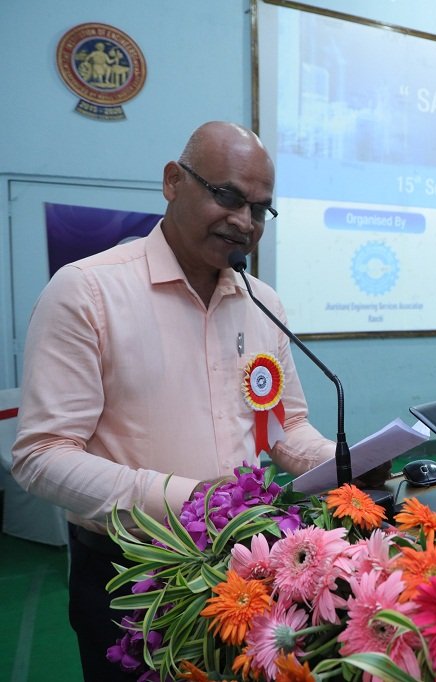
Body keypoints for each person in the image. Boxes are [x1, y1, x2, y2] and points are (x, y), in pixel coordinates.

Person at [11, 122, 385, 682]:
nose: (243, 221)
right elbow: (40, 455)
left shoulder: (262, 302)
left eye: (260, 210)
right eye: (227, 195)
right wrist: (189, 501)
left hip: (244, 571)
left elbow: (281, 432)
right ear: (172, 182)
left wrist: (342, 466)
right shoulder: (87, 290)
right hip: (130, 572)